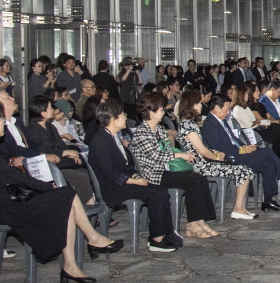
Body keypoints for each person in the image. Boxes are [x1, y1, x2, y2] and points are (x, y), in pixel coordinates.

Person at [0, 100, 121, 283]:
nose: (4, 124)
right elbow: (17, 178)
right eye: (0, 120)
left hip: (8, 204)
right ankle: (90, 241)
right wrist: (48, 186)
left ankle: (73, 262)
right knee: (65, 194)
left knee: (65, 198)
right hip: (10, 209)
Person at [87, 99, 182, 251]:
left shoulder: (113, 136)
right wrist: (133, 181)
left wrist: (136, 176)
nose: (126, 117)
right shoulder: (100, 141)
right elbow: (109, 172)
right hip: (113, 187)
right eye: (122, 114)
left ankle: (164, 232)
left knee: (160, 190)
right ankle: (156, 239)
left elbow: (126, 165)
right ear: (113, 119)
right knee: (156, 193)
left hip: (124, 182)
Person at [128, 92, 221, 238]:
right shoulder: (142, 132)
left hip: (165, 169)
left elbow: (168, 147)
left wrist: (174, 143)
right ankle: (193, 224)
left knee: (198, 177)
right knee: (192, 180)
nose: (163, 112)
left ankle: (200, 221)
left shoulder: (158, 128)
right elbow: (156, 156)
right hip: (154, 174)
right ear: (151, 113)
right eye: (160, 110)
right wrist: (181, 155)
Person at [201, 93, 280, 212]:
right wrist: (241, 150)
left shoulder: (221, 121)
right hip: (228, 157)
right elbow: (218, 147)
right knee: (267, 152)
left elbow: (234, 139)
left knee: (268, 165)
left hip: (237, 152)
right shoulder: (210, 123)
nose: (228, 113)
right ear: (217, 108)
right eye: (226, 109)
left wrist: (245, 147)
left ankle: (268, 200)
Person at [174, 91, 258, 220]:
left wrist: (214, 152)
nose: (201, 105)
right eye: (198, 103)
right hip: (200, 165)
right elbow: (202, 151)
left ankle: (240, 208)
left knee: (243, 169)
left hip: (203, 160)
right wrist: (216, 157)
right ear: (192, 105)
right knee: (242, 170)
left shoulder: (189, 123)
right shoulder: (187, 125)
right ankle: (238, 209)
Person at [23, 94, 92, 202]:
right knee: (81, 177)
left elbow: (61, 144)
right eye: (50, 108)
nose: (53, 110)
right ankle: (88, 204)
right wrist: (66, 153)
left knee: (86, 172)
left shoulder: (50, 127)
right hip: (51, 166)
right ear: (42, 113)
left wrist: (72, 155)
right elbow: (43, 151)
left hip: (62, 162)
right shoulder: (32, 130)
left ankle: (90, 203)